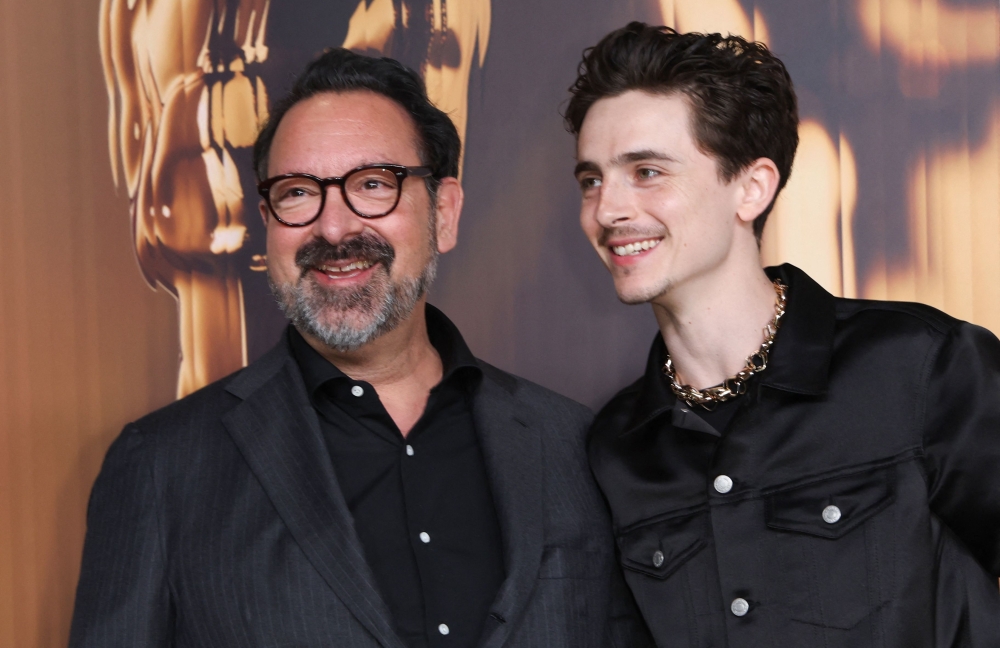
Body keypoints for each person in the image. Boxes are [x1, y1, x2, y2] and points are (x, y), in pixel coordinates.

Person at [70, 48, 650, 648]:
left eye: (373, 185)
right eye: (297, 193)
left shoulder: (572, 448)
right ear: (267, 221)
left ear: (443, 214)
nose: (335, 228)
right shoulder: (163, 467)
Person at [565, 21, 1000, 647]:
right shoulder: (617, 447)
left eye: (647, 172)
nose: (607, 210)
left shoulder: (920, 366)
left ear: (751, 187)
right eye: (591, 180)